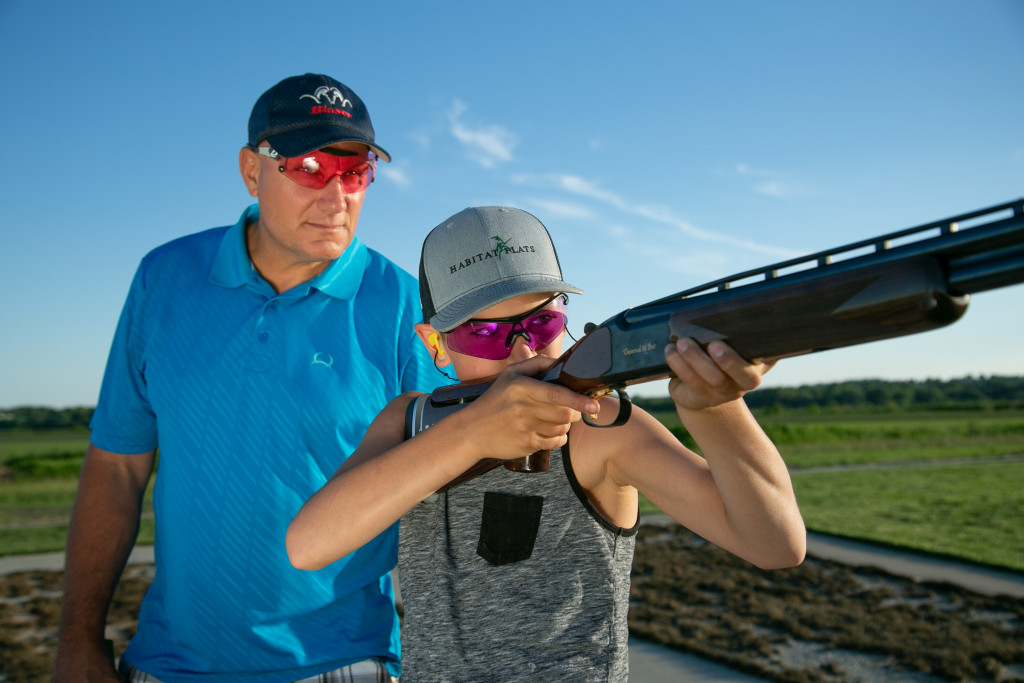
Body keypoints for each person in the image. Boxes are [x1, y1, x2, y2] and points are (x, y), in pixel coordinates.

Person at [287, 206, 807, 682]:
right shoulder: (413, 421)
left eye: (542, 321)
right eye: (486, 332)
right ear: (434, 344)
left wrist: (712, 407)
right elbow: (309, 545)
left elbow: (775, 545)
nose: (521, 350)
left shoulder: (602, 427)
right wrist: (471, 433)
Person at [52, 74, 442, 683]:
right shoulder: (165, 278)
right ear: (251, 171)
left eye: (356, 171)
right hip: (167, 665)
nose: (337, 196)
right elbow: (116, 466)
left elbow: (452, 488)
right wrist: (76, 644)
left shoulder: (405, 306)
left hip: (343, 664)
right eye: (311, 167)